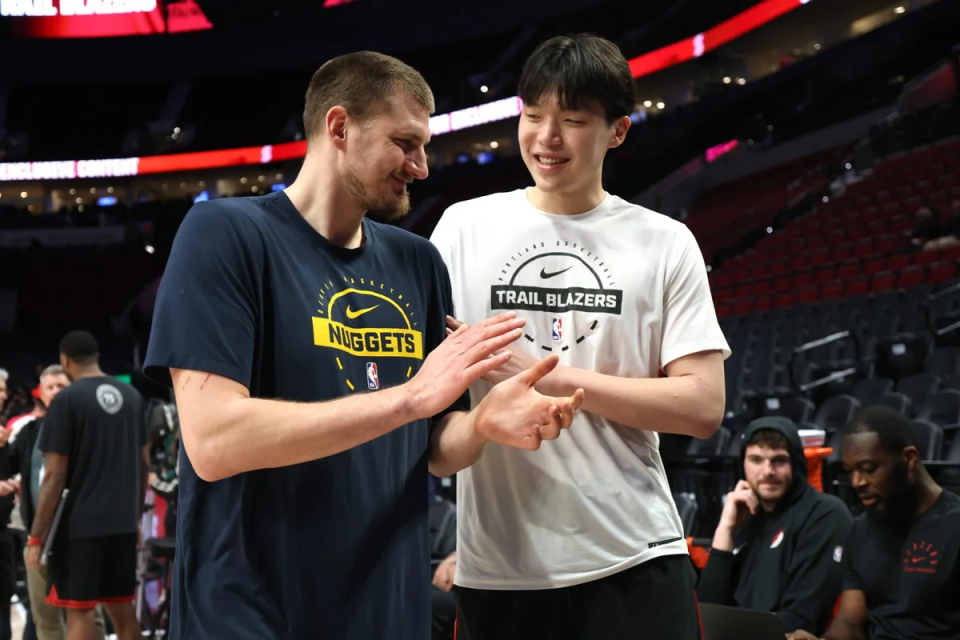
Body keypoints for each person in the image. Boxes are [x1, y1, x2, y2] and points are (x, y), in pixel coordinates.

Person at [143, 51, 584, 640]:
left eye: (424, 147)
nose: (420, 167)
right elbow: (214, 441)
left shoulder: (418, 262)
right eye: (405, 143)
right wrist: (410, 398)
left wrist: (481, 425)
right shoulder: (225, 234)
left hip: (388, 610)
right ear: (339, 127)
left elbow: (432, 446)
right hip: (253, 614)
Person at [429, 34, 729, 640]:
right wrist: (484, 420)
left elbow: (702, 407)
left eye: (572, 120)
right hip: (500, 569)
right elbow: (431, 440)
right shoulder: (461, 228)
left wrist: (545, 375)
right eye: (533, 115)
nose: (546, 138)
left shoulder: (665, 242)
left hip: (635, 555)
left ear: (617, 131)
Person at [786, 407, 960, 640]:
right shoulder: (860, 530)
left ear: (910, 459)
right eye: (849, 471)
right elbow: (850, 623)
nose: (857, 482)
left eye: (868, 469)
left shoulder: (954, 524)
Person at [26, 331, 149, 640]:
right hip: (122, 524)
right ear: (96, 357)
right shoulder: (132, 397)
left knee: (80, 613)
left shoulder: (66, 400)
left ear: (65, 360)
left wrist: (36, 537)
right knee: (122, 610)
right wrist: (135, 518)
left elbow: (54, 476)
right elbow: (144, 465)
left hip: (80, 526)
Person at [697, 417, 852, 636]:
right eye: (756, 460)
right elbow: (707, 611)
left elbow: (802, 619)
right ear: (742, 464)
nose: (768, 471)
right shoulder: (745, 516)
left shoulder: (825, 514)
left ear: (796, 463)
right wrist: (725, 529)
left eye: (779, 460)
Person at [0, 365, 107, 640]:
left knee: (88, 614)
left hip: (79, 536)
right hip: (38, 537)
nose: (56, 392)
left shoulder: (91, 429)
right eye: (50, 387)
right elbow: (7, 468)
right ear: (42, 394)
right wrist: (1, 447)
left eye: (61, 386)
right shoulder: (30, 431)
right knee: (45, 619)